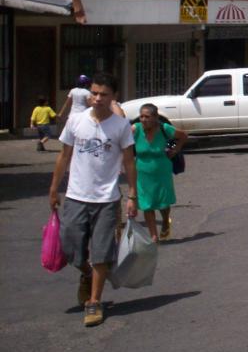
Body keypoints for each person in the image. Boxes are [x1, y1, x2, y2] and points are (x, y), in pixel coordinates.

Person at [48, 72, 136, 328]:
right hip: (76, 196)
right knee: (70, 247)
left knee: (101, 251)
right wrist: (54, 189)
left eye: (103, 94)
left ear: (114, 97)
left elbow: (129, 162)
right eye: (94, 93)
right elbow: (63, 157)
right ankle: (86, 274)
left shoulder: (120, 127)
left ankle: (94, 301)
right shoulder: (76, 121)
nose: (97, 99)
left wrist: (132, 194)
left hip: (107, 199)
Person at [133, 104, 187, 242]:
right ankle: (153, 236)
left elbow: (182, 136)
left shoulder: (164, 128)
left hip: (162, 171)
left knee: (163, 203)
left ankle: (164, 221)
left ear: (155, 117)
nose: (143, 120)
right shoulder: (135, 129)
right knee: (147, 204)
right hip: (142, 173)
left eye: (147, 116)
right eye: (141, 116)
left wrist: (173, 149)